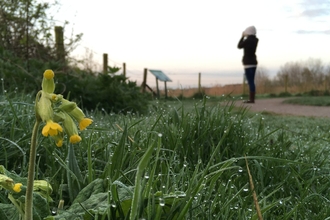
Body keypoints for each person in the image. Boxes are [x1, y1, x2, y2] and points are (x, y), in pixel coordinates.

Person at [237, 26, 259, 103]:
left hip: (248, 63)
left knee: (250, 81)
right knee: (252, 80)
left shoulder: (247, 40)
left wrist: (242, 37)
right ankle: (252, 98)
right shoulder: (256, 40)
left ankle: (251, 100)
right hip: (254, 62)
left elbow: (239, 46)